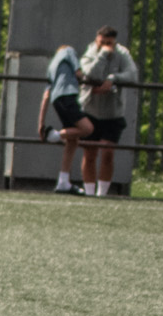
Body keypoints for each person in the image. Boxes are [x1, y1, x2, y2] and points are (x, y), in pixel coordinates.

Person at [76, 25, 136, 196]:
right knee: (90, 153)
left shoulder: (122, 53)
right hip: (90, 110)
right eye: (102, 42)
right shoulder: (91, 52)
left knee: (108, 152)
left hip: (112, 113)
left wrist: (113, 79)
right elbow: (90, 73)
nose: (106, 46)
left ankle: (102, 193)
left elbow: (132, 74)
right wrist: (103, 55)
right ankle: (89, 193)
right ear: (97, 39)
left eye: (109, 43)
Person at [39, 39, 90, 192]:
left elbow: (46, 95)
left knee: (73, 140)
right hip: (68, 96)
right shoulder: (68, 51)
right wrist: (96, 83)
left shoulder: (51, 66)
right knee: (87, 129)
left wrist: (41, 123)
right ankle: (55, 135)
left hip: (57, 99)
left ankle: (63, 181)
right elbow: (79, 73)